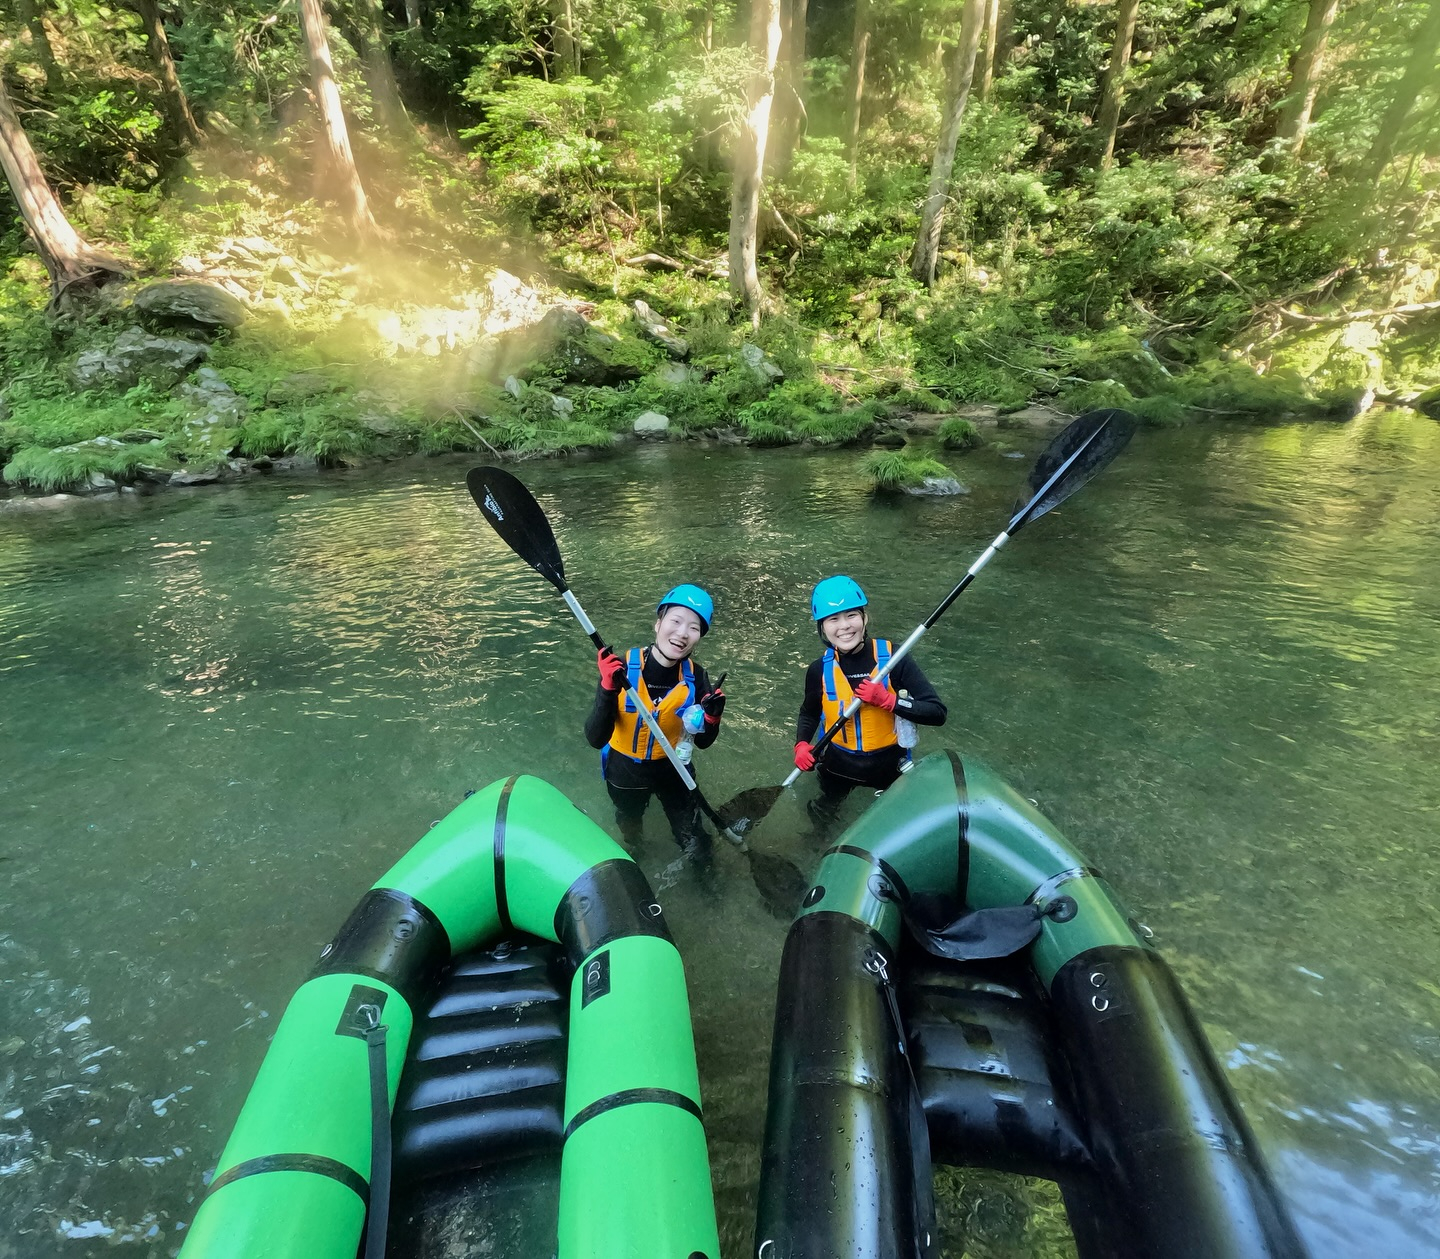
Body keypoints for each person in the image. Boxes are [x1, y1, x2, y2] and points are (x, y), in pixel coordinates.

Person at [792, 575, 946, 836]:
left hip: (889, 768)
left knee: (899, 830)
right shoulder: (818, 670)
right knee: (821, 823)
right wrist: (801, 744)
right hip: (837, 767)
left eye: (851, 615)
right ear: (822, 628)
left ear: (865, 618)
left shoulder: (895, 659)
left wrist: (889, 700)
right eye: (833, 619)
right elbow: (809, 713)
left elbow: (937, 712)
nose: (844, 626)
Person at [584, 584, 726, 855]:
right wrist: (606, 686)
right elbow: (595, 737)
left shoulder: (697, 677)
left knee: (697, 843)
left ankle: (705, 884)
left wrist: (713, 716)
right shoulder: (620, 668)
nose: (682, 633)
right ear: (658, 624)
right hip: (625, 771)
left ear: (699, 637)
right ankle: (635, 849)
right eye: (675, 621)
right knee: (630, 822)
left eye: (694, 628)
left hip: (675, 771)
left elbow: (705, 741)